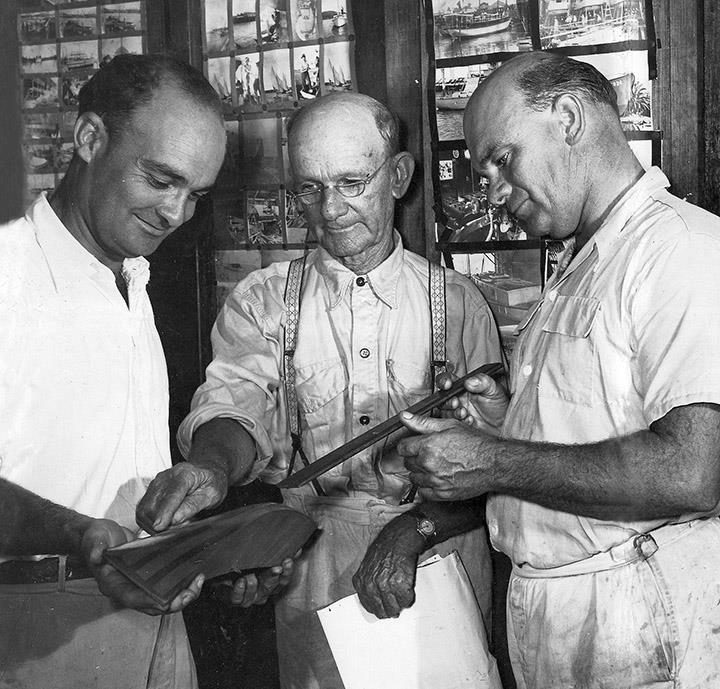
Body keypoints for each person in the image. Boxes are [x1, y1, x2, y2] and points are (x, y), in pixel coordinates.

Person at [137, 92, 504, 689]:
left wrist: (416, 529)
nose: (331, 209)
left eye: (353, 182)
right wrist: (210, 465)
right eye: (310, 188)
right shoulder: (263, 300)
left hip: (438, 553)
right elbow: (236, 402)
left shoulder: (458, 304)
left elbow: (497, 462)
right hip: (311, 559)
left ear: (400, 177)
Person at [393, 51, 720, 688]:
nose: (491, 190)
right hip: (566, 608)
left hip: (633, 611)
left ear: (568, 117)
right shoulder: (591, 257)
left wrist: (491, 461)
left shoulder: (679, 249)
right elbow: (601, 416)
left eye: (502, 159)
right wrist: (511, 416)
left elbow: (693, 470)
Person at [0, 53, 279, 689]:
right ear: (90, 138)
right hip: (33, 628)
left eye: (196, 194)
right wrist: (78, 534)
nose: (177, 214)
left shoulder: (135, 275)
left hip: (155, 615)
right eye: (160, 179)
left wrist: (208, 549)